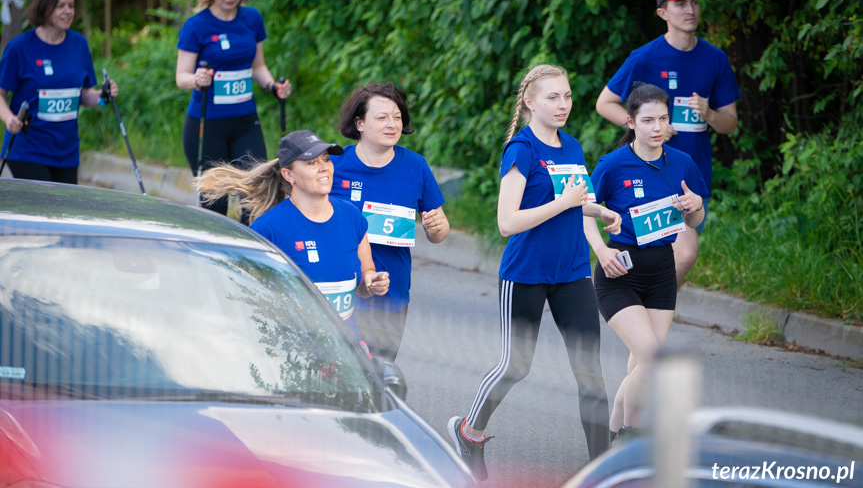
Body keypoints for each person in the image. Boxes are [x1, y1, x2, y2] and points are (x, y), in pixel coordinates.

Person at [449, 65, 622, 481]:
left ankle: (601, 468)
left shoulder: (573, 147)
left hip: (573, 272)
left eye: (566, 96)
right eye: (552, 97)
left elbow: (574, 201)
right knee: (516, 365)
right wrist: (565, 202)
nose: (562, 104)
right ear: (529, 101)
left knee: (590, 373)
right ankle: (469, 432)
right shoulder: (521, 150)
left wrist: (599, 209)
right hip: (525, 273)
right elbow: (507, 222)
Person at [595, 0, 740, 289]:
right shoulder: (645, 57)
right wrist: (648, 128)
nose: (690, 9)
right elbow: (605, 103)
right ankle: (637, 308)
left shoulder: (716, 59)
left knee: (683, 254)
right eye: (680, 4)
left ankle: (645, 309)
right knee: (669, 251)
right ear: (663, 13)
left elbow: (730, 123)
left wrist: (710, 113)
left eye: (694, 2)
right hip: (646, 170)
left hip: (690, 174)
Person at [584, 82, 706, 441]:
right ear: (630, 122)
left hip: (662, 273)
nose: (657, 128)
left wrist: (695, 207)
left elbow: (695, 221)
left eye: (663, 119)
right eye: (648, 120)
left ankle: (613, 441)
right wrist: (602, 251)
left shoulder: (682, 163)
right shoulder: (613, 164)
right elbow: (585, 211)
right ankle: (630, 436)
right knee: (653, 358)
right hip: (619, 271)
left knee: (641, 364)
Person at [195, 130, 390, 348]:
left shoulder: (352, 217)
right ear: (289, 175)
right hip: (295, 352)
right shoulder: (269, 229)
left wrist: (373, 281)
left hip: (348, 349)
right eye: (311, 162)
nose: (324, 167)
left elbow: (363, 283)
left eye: (326, 159)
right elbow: (249, 298)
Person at [329, 82, 449, 362]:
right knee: (344, 377)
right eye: (381, 117)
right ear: (359, 122)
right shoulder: (335, 165)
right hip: (342, 292)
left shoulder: (415, 166)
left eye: (397, 117)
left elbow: (440, 230)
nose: (391, 124)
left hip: (392, 293)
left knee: (381, 377)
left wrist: (436, 228)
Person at [176, 0, 290, 219]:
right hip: (208, 123)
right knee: (215, 202)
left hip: (245, 121)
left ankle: (248, 256)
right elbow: (181, 76)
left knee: (257, 194)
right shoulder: (196, 26)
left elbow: (258, 66)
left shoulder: (251, 19)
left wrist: (274, 87)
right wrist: (197, 79)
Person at [0, 0, 118, 183]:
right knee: (42, 209)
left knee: (63, 213)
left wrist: (102, 95)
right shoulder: (20, 48)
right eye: (60, 6)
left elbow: (84, 95)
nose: (68, 11)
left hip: (66, 153)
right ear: (44, 7)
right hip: (29, 150)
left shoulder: (78, 44)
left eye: (71, 5)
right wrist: (9, 119)